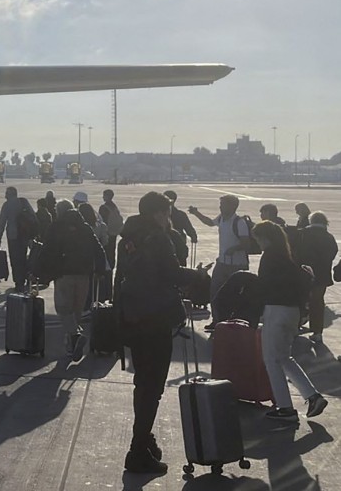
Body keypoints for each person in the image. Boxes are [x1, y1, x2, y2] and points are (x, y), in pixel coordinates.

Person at [117, 191, 195, 475]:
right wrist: (198, 277)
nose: (169, 218)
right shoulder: (160, 238)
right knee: (153, 389)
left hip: (134, 319)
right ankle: (137, 451)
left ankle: (145, 439)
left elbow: (120, 278)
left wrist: (120, 321)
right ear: (158, 213)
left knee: (143, 384)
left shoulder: (128, 238)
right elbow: (172, 274)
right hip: (156, 320)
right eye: (167, 213)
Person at [252, 220, 328, 422]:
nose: (258, 243)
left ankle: (285, 407)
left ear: (265, 238)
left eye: (258, 239)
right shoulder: (287, 257)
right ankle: (312, 396)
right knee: (284, 357)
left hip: (275, 310)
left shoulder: (269, 257)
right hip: (292, 312)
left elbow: (263, 286)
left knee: (271, 359)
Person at [44, 199, 106, 360]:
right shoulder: (85, 228)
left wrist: (39, 271)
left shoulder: (57, 227)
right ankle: (71, 346)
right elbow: (98, 248)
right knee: (76, 310)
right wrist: (100, 269)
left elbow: (48, 250)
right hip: (84, 275)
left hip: (64, 274)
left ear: (60, 212)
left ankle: (75, 335)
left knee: (63, 308)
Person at [189, 195, 251, 328]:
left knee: (235, 296)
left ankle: (235, 322)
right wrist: (196, 213)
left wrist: (234, 249)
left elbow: (246, 244)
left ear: (232, 206)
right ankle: (217, 321)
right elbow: (209, 223)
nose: (220, 207)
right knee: (215, 292)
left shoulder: (239, 222)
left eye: (223, 204)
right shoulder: (221, 218)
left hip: (237, 265)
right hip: (222, 263)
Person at [297, 211, 338, 344]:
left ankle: (297, 325)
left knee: (300, 300)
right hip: (322, 275)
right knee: (318, 303)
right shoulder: (329, 237)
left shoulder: (304, 234)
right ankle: (317, 332)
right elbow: (333, 253)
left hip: (303, 274)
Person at [0, 187, 36, 292]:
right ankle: (27, 276)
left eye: (6, 193)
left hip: (13, 236)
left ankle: (19, 281)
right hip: (24, 235)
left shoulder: (6, 205)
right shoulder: (24, 202)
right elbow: (33, 217)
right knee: (23, 257)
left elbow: (2, 223)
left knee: (15, 259)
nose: (5, 195)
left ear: (10, 194)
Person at [98, 189, 124, 271]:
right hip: (114, 232)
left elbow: (102, 221)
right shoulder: (114, 206)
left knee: (106, 251)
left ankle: (106, 268)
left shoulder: (103, 208)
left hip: (107, 232)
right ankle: (111, 266)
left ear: (108, 196)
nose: (103, 197)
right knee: (112, 250)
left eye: (104, 195)